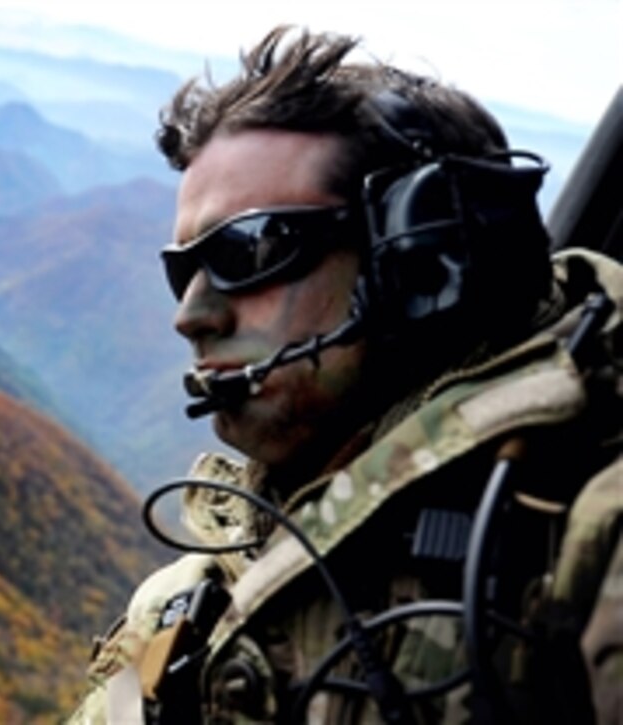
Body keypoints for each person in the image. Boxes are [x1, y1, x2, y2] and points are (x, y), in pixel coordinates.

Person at [68, 25, 622, 724]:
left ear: (419, 260)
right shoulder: (189, 601)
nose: (190, 313)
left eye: (251, 247)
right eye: (184, 267)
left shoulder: (583, 533)